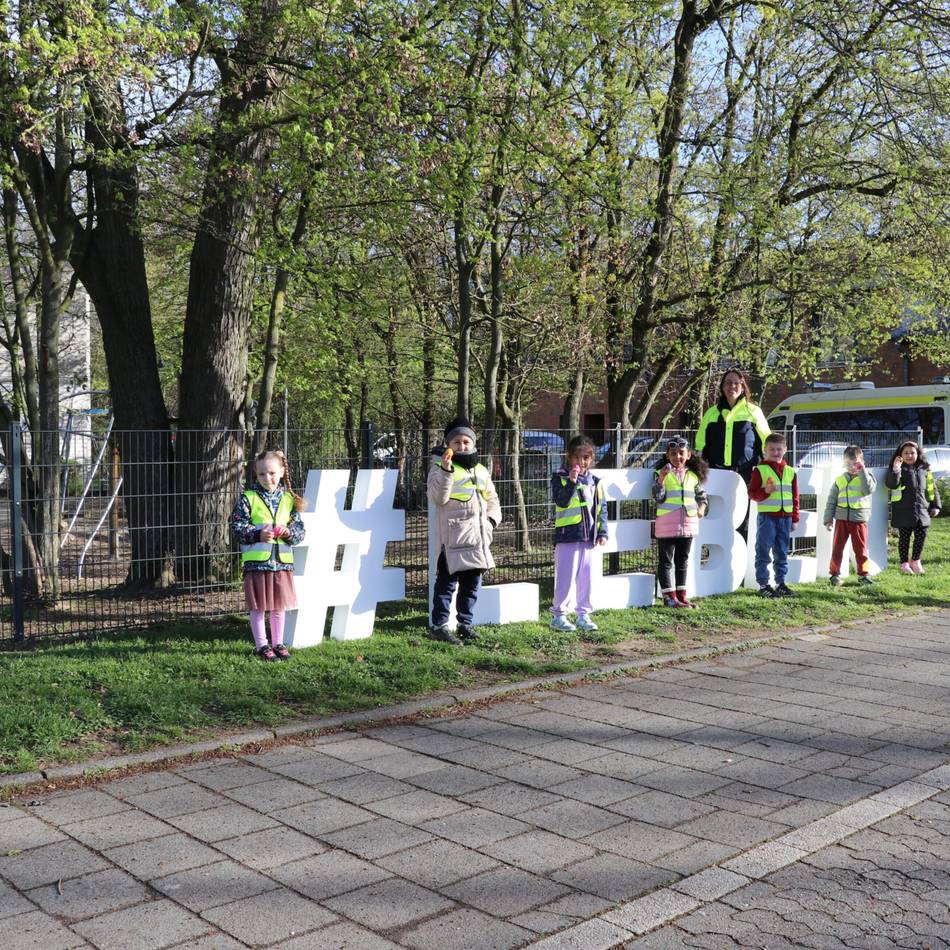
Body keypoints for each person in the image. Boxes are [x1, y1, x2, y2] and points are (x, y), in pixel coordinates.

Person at [428, 417, 501, 645]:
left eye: (466, 442)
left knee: (471, 586)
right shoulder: (439, 467)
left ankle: (465, 624)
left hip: (478, 540)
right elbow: (437, 498)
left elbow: (493, 499)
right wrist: (446, 470)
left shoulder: (481, 469)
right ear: (449, 444)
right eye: (457, 442)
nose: (462, 446)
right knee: (446, 586)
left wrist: (491, 522)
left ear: (473, 444)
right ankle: (439, 626)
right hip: (452, 542)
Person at [230, 449, 306, 661]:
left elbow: (300, 532)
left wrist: (288, 532)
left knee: (278, 606)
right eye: (262, 474)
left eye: (272, 473)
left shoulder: (289, 500)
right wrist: (257, 534)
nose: (267, 478)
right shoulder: (248, 498)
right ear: (256, 473)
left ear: (282, 471)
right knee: (258, 607)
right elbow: (237, 528)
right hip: (257, 565)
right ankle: (262, 645)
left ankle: (278, 643)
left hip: (281, 565)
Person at [695, 369, 771, 538]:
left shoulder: (754, 412)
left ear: (743, 387)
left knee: (744, 519)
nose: (732, 386)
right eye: (728, 382)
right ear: (722, 387)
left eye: (737, 382)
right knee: (718, 516)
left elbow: (767, 442)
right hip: (717, 473)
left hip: (746, 475)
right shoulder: (711, 413)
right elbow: (701, 445)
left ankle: (742, 557)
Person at [550, 435, 609, 631]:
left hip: (589, 538)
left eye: (586, 458)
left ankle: (583, 614)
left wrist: (602, 531)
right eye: (576, 458)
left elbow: (601, 508)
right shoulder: (559, 477)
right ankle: (559, 616)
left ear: (591, 459)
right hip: (567, 536)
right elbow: (562, 501)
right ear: (569, 457)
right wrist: (572, 482)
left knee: (587, 579)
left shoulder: (596, 481)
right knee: (565, 578)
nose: (581, 463)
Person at [652, 435, 709, 609]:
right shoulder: (660, 473)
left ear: (689, 455)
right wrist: (661, 479)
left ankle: (681, 596)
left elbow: (702, 497)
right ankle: (669, 597)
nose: (678, 457)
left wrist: (701, 509)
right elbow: (658, 497)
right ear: (667, 456)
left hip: (688, 525)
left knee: (682, 561)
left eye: (681, 453)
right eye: (673, 453)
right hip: (666, 526)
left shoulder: (693, 476)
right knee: (666, 561)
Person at [748, 432, 799, 597]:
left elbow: (795, 497)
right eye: (772, 449)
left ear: (785, 449)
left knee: (782, 552)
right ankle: (763, 585)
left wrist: (795, 518)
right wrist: (766, 491)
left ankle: (781, 583)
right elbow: (752, 493)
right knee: (763, 551)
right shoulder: (760, 470)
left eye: (779, 449)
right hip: (767, 518)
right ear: (765, 450)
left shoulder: (791, 472)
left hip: (785, 519)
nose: (775, 452)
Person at [823, 445, 876, 587]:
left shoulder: (866, 476)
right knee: (837, 548)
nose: (852, 467)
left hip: (859, 520)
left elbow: (868, 490)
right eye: (848, 464)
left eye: (855, 464)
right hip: (841, 520)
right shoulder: (840, 479)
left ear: (862, 462)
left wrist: (862, 471)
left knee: (860, 549)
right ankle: (834, 574)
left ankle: (864, 575)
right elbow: (831, 500)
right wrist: (828, 519)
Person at [885, 440, 941, 574]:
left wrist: (935, 506)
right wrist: (896, 470)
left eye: (912, 453)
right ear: (900, 455)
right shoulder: (898, 469)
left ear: (918, 454)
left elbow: (932, 488)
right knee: (904, 538)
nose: (909, 455)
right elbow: (891, 484)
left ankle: (915, 561)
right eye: (906, 453)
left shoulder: (924, 469)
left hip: (921, 510)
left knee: (921, 535)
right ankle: (904, 564)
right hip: (903, 510)